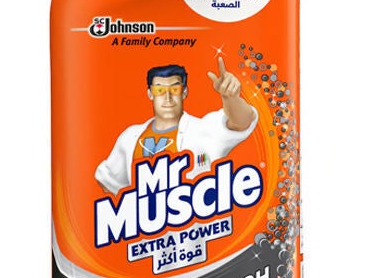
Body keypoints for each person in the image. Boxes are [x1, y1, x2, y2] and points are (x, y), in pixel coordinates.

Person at [95, 58, 258, 195]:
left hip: (195, 224)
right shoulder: (130, 137)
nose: (167, 97)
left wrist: (231, 98)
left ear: (184, 91)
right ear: (150, 93)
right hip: (146, 224)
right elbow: (108, 181)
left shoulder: (203, 129)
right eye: (159, 89)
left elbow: (242, 122)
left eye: (175, 88)